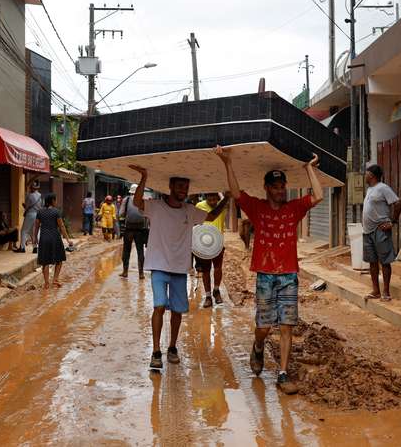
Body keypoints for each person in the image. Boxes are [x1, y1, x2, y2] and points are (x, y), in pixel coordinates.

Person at [216, 146, 323, 395]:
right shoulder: (257, 208)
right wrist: (227, 162)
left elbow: (317, 196)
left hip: (288, 275)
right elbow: (235, 192)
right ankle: (258, 344)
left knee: (287, 326)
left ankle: (282, 374)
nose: (280, 190)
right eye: (275, 187)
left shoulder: (294, 208)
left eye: (283, 186)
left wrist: (309, 169)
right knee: (264, 326)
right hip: (264, 275)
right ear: (267, 188)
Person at [128, 165, 229, 371]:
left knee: (177, 311)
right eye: (180, 186)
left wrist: (227, 199)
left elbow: (211, 216)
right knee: (158, 306)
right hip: (158, 265)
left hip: (179, 269)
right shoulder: (156, 206)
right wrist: (144, 176)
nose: (183, 189)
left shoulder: (190, 211)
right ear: (171, 187)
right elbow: (137, 202)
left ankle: (172, 347)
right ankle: (156, 351)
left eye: (186, 186)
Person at [362, 165, 401, 302]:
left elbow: (398, 203)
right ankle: (376, 290)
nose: (365, 176)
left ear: (372, 175)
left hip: (380, 229)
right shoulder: (370, 189)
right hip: (368, 231)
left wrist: (393, 221)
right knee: (372, 262)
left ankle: (386, 291)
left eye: (366, 173)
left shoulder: (383, 188)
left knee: (384, 261)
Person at [194, 192, 231, 308]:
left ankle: (216, 290)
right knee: (205, 270)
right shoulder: (199, 206)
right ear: (206, 198)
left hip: (218, 243)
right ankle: (208, 296)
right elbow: (195, 224)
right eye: (210, 200)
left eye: (215, 199)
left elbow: (226, 200)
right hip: (203, 243)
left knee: (218, 268)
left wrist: (222, 195)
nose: (213, 202)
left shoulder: (222, 206)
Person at [34, 193, 74, 289]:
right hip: (55, 238)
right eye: (55, 200)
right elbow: (61, 226)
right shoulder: (56, 212)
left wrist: (35, 238)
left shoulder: (40, 212)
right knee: (59, 259)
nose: (56, 202)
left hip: (43, 238)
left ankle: (46, 283)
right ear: (52, 201)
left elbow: (36, 226)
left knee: (45, 262)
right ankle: (55, 279)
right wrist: (68, 239)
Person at [119, 184, 149, 279]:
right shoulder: (144, 200)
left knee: (126, 250)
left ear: (130, 191)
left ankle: (125, 272)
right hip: (140, 230)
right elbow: (147, 216)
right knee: (140, 251)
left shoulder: (126, 200)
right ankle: (141, 273)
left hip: (129, 229)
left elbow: (121, 213)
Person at [16, 180, 42, 253]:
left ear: (31, 188)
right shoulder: (40, 195)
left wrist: (24, 205)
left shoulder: (29, 195)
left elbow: (27, 206)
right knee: (34, 232)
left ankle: (22, 247)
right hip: (37, 215)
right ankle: (35, 247)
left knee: (24, 231)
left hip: (30, 214)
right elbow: (41, 206)